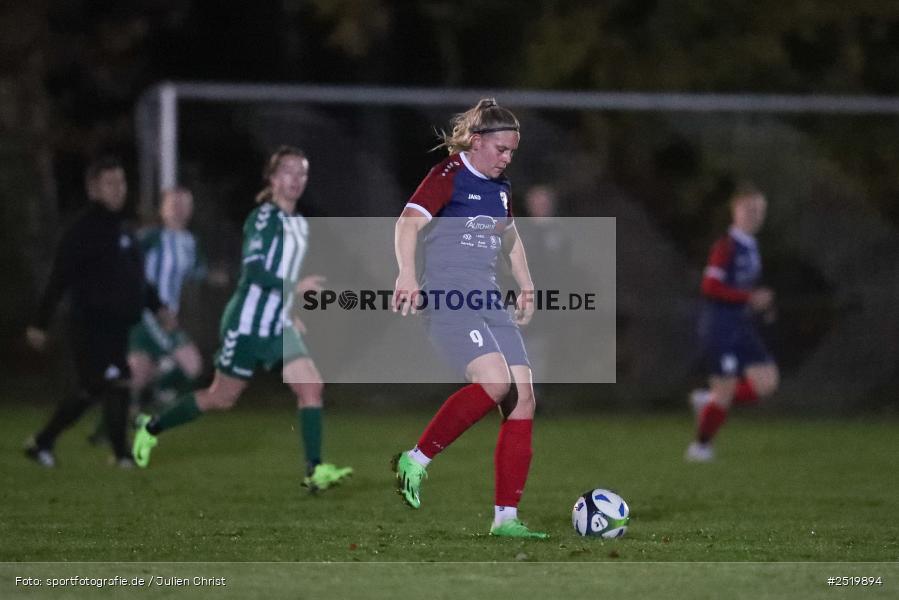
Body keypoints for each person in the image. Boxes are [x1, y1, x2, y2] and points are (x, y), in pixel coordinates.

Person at [131, 146, 353, 492]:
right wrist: (295, 289)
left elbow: (283, 273)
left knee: (311, 386)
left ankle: (315, 470)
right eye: (289, 172)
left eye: (302, 172)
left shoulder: (299, 225)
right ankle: (152, 426)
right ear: (273, 178)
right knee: (221, 397)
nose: (296, 179)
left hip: (277, 325)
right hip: (246, 324)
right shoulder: (264, 218)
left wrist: (290, 312)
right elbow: (255, 271)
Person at [391, 98, 547, 538]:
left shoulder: (501, 188)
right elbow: (407, 223)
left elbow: (511, 236)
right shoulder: (449, 176)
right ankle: (415, 460)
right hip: (448, 298)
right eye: (500, 149)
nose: (506, 158)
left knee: (523, 399)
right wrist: (406, 275)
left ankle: (506, 520)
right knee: (496, 383)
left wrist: (527, 283)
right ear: (477, 142)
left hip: (489, 300)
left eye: (512, 151)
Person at [24, 155, 169, 467]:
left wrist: (158, 306)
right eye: (110, 184)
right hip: (89, 323)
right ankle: (119, 455)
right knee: (112, 382)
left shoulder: (123, 228)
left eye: (121, 182)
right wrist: (40, 322)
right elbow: (58, 275)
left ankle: (45, 443)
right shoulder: (83, 229)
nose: (118, 189)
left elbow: (137, 279)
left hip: (116, 325)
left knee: (97, 387)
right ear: (93, 189)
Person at [89, 187, 226, 444]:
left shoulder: (189, 242)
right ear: (162, 209)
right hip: (148, 314)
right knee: (192, 365)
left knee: (136, 377)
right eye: (173, 204)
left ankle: (103, 432)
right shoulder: (151, 237)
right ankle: (160, 394)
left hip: (165, 315)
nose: (179, 209)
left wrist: (213, 276)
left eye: (184, 204)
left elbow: (196, 271)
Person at [686, 183, 779, 462]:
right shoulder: (726, 246)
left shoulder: (751, 247)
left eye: (760, 210)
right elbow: (710, 286)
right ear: (735, 211)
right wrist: (748, 298)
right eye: (749, 209)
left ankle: (709, 400)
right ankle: (700, 448)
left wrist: (762, 306)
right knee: (725, 391)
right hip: (720, 328)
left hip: (741, 326)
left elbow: (742, 289)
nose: (755, 215)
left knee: (767, 382)